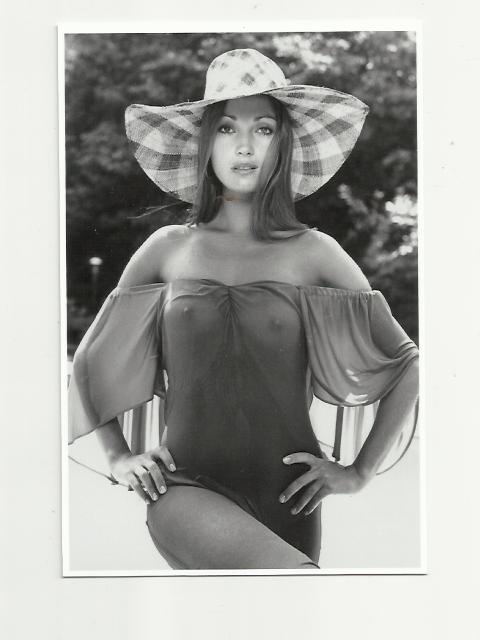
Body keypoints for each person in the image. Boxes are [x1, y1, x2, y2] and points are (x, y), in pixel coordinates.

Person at [68, 48, 419, 570]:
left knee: (284, 610)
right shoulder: (167, 249)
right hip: (183, 488)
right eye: (227, 129)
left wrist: (358, 472)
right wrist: (119, 457)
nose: (245, 146)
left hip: (290, 500)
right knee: (304, 590)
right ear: (205, 144)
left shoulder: (315, 253)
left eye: (264, 129)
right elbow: (90, 363)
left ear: (284, 143)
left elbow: (407, 364)